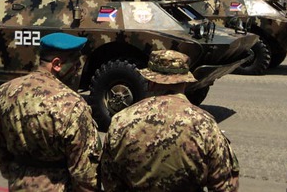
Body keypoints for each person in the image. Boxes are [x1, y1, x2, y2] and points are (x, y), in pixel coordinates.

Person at [101, 49, 240, 192]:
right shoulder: (204, 124)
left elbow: (109, 179)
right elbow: (225, 185)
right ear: (185, 82)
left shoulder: (121, 121)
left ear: (150, 81)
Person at [0, 32, 101, 192]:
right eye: (76, 64)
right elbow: (84, 173)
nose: (78, 70)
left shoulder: (4, 93)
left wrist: (18, 175)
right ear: (57, 64)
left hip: (18, 184)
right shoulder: (72, 104)